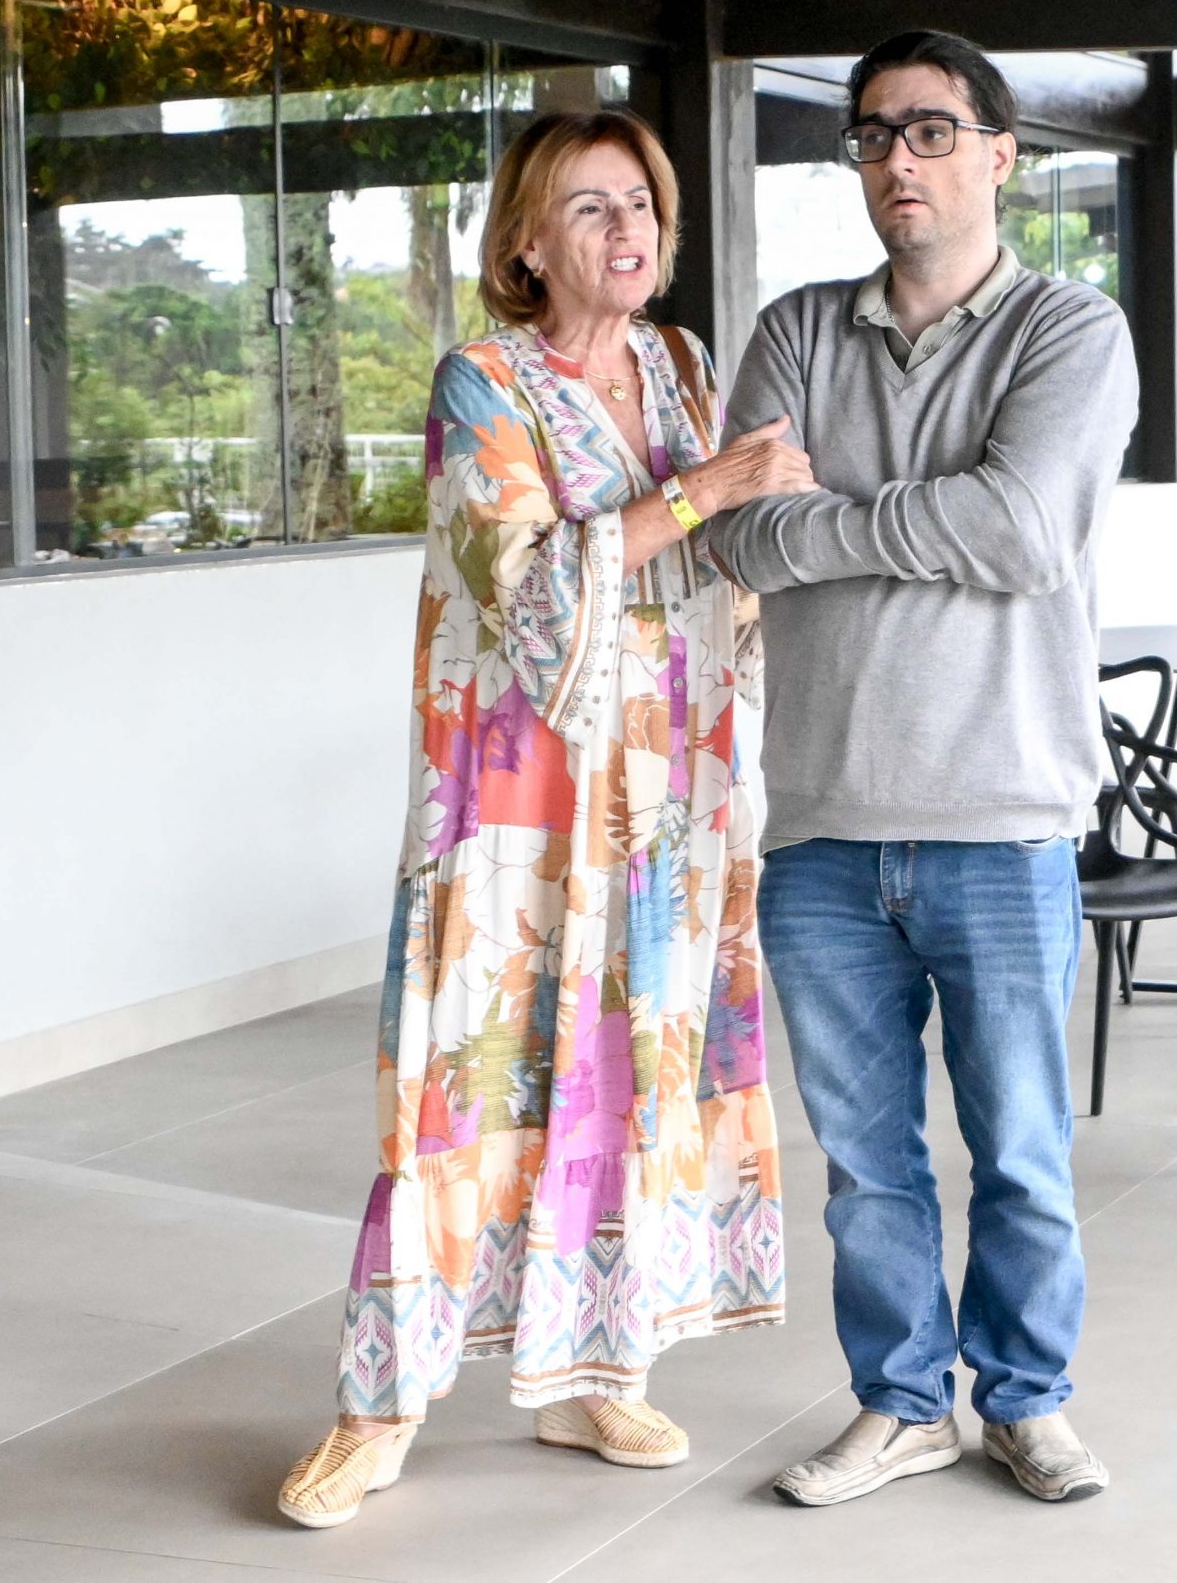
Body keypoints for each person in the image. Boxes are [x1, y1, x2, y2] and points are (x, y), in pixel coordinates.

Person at [278, 109, 814, 1530]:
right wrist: (705, 490)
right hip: (517, 800)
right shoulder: (485, 380)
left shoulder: (684, 365)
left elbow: (728, 556)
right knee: (472, 1075)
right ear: (525, 242)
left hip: (672, 796)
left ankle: (594, 1367)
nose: (624, 227)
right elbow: (520, 586)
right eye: (586, 206)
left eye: (639, 200)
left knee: (632, 1068)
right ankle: (379, 1407)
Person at [703, 30, 1139, 1509]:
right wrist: (917, 514)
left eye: (933, 130)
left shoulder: (1069, 330)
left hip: (1003, 815)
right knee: (866, 1162)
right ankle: (902, 1406)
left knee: (1019, 1149)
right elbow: (738, 537)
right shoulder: (796, 331)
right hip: (822, 824)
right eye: (875, 134)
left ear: (1000, 154)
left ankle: (1028, 1401)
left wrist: (832, 517)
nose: (900, 158)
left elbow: (1026, 530)